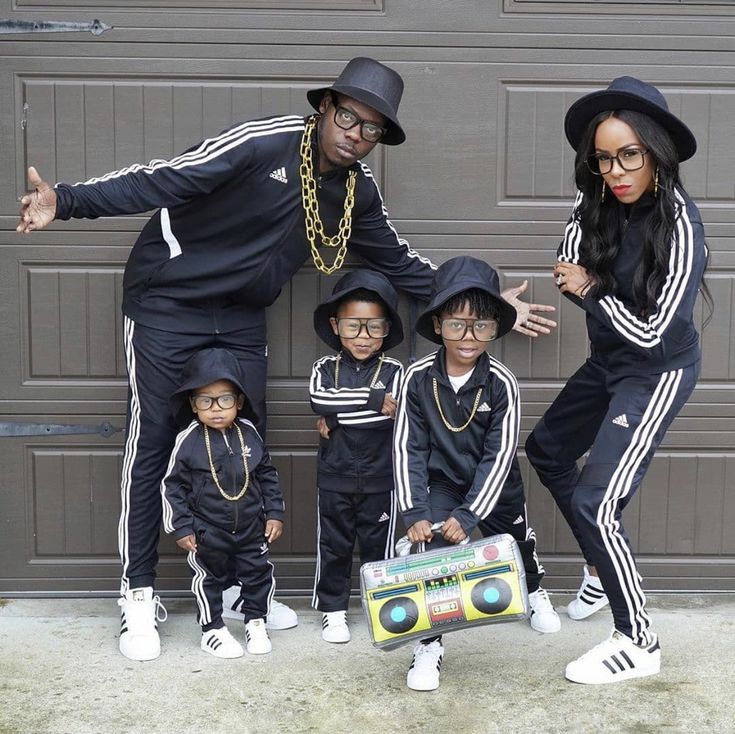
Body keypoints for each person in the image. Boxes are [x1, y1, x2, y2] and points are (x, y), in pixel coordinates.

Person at [16, 56, 556, 661]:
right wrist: (66, 201)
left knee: (248, 447)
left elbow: (399, 262)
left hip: (242, 316)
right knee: (155, 444)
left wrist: (475, 302)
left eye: (372, 129)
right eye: (348, 117)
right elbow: (163, 179)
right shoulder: (262, 143)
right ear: (324, 108)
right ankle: (138, 595)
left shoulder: (356, 192)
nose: (356, 134)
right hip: (168, 300)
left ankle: (250, 593)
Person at [524, 77, 712, 685]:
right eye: (603, 158)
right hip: (609, 362)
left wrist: (593, 290)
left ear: (656, 150)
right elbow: (566, 261)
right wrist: (587, 288)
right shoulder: (595, 207)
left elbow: (656, 334)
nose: (616, 170)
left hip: (657, 372)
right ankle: (604, 568)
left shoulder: (681, 225)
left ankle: (639, 640)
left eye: (629, 154)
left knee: (596, 501)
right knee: (546, 449)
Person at [393, 256, 561, 692]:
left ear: (494, 328)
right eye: (456, 325)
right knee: (430, 547)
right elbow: (407, 445)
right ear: (438, 325)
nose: (468, 337)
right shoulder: (415, 378)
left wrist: (470, 516)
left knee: (518, 543)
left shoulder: (501, 382)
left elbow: (500, 452)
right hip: (442, 482)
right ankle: (429, 644)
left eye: (481, 326)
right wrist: (414, 510)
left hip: (495, 485)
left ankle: (535, 590)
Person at [161, 348, 283, 658]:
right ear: (193, 404)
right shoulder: (188, 439)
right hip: (207, 530)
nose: (216, 408)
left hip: (251, 527)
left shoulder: (250, 433)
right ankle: (212, 629)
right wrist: (181, 527)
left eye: (225, 399)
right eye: (206, 400)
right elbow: (172, 486)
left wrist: (275, 513)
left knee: (258, 573)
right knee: (208, 579)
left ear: (239, 401)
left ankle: (255, 621)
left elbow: (267, 474)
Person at [309, 270, 404, 643]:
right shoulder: (325, 369)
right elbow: (318, 399)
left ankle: (380, 608)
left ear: (385, 330)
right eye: (353, 327)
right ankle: (333, 610)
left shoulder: (397, 371)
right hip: (335, 475)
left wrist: (336, 415)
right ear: (336, 326)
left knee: (378, 548)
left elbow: (395, 411)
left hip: (382, 478)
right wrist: (371, 400)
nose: (363, 337)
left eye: (373, 328)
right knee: (333, 546)